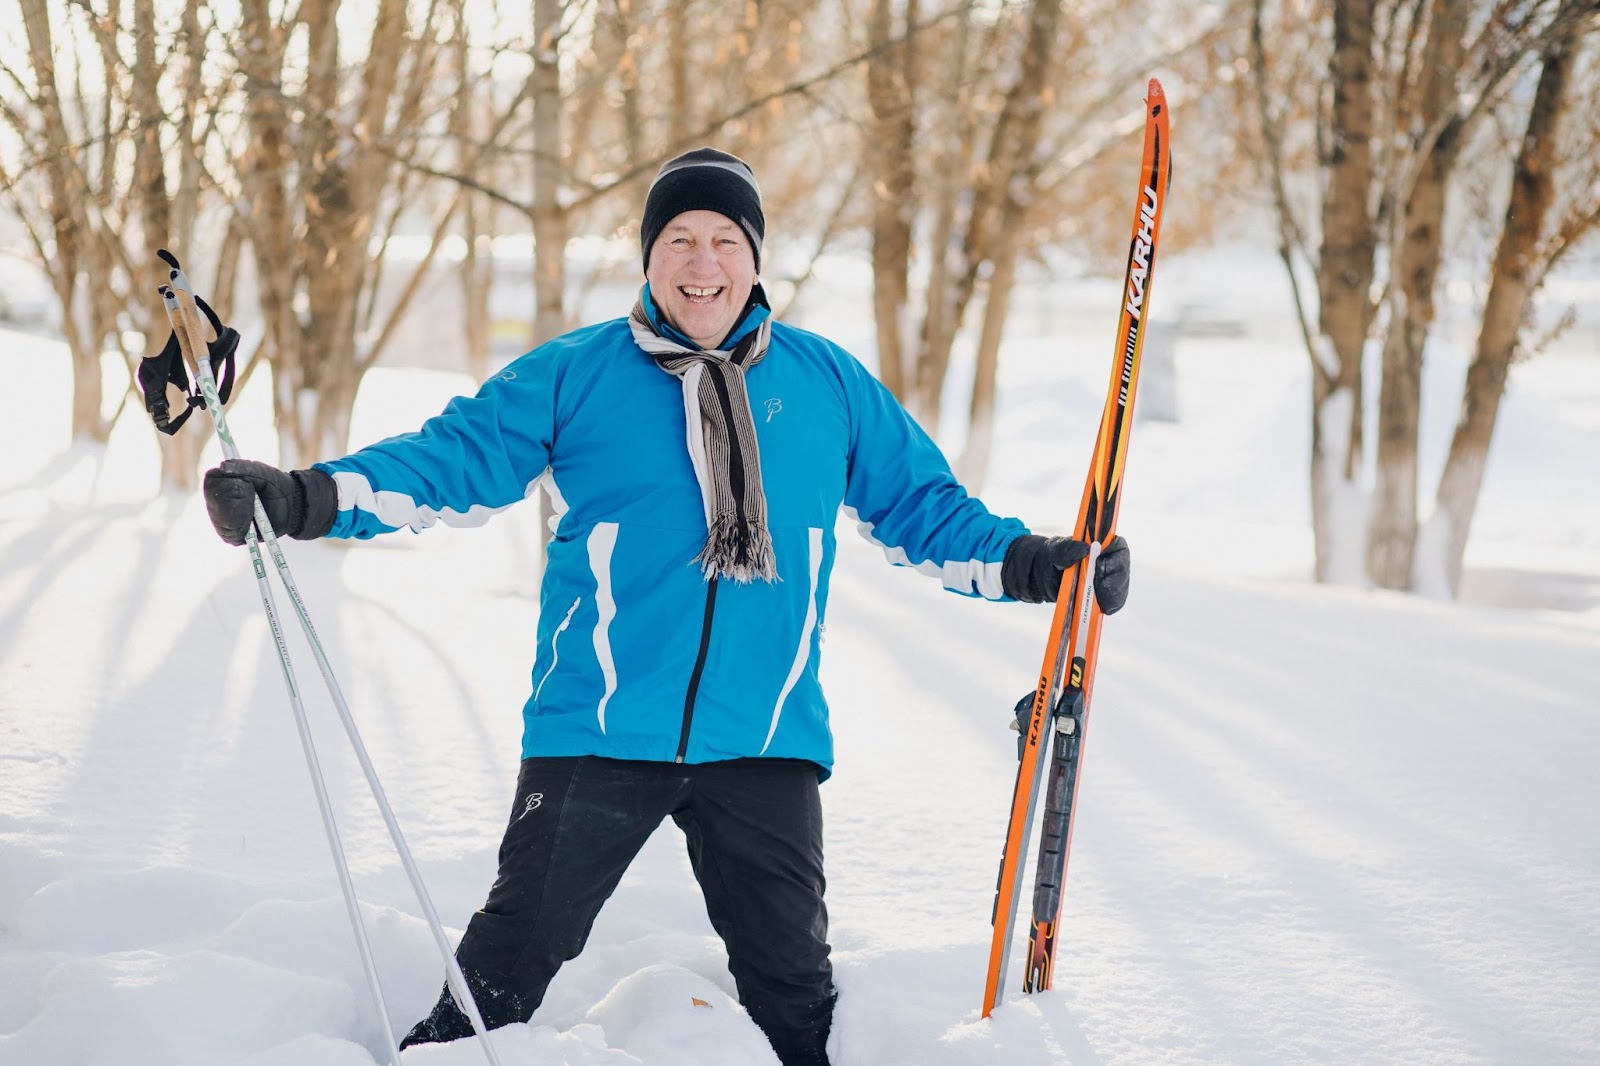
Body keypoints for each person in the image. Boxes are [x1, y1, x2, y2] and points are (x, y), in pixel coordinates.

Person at [201, 147, 1130, 1066]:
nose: (702, 264)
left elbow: (925, 510)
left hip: (765, 741)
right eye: (679, 240)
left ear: (755, 259)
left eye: (725, 240)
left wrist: (1039, 564)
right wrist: (304, 497)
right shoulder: (578, 373)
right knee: (501, 978)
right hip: (598, 729)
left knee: (798, 1011)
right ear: (648, 258)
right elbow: (450, 460)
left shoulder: (825, 384)